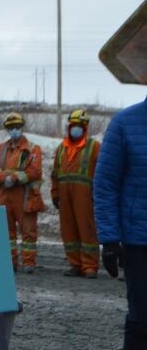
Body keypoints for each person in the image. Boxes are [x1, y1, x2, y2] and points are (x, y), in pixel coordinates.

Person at [95, 96, 147, 349]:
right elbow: (106, 185)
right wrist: (110, 239)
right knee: (142, 319)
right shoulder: (124, 124)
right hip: (140, 243)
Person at [0, 113, 44, 273]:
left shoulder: (33, 149)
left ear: (22, 128)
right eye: (11, 128)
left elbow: (35, 171)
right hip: (4, 193)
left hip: (25, 194)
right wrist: (3, 177)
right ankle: (9, 261)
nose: (14, 131)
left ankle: (29, 262)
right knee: (5, 230)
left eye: (17, 127)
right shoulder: (1, 148)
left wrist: (15, 178)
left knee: (28, 230)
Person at [51, 109, 100, 278]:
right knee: (68, 229)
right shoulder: (61, 148)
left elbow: (100, 173)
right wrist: (55, 194)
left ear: (85, 128)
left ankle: (90, 266)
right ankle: (75, 264)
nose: (75, 129)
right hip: (65, 196)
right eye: (73, 126)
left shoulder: (94, 147)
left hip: (84, 196)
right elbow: (55, 174)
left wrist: (97, 195)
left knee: (86, 229)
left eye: (79, 126)